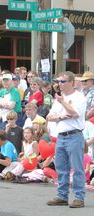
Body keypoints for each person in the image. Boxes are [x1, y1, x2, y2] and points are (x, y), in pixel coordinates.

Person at [46, 71, 86, 208]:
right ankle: (62, 196)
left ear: (71, 82)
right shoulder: (59, 99)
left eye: (62, 81)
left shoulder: (78, 97)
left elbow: (75, 113)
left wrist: (63, 103)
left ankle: (79, 197)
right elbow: (49, 116)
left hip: (74, 135)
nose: (59, 84)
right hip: (61, 136)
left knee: (77, 168)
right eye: (58, 81)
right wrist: (60, 117)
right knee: (61, 168)